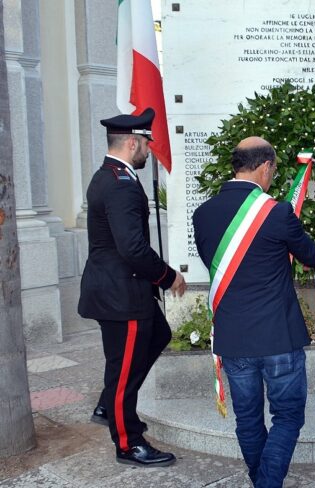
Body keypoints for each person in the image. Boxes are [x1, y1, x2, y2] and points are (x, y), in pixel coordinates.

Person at [192, 136, 315, 487]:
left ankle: (261, 480)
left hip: (234, 338)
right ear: (265, 167)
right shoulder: (277, 212)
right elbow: (312, 257)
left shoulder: (202, 215)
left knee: (248, 420)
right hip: (278, 336)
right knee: (288, 416)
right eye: (273, 171)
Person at [78, 108, 187, 467]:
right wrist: (169, 277)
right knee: (122, 370)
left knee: (158, 334)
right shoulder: (120, 183)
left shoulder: (111, 175)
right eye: (145, 145)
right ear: (132, 142)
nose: (148, 152)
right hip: (122, 295)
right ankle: (128, 442)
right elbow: (133, 249)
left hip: (121, 290)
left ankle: (110, 402)